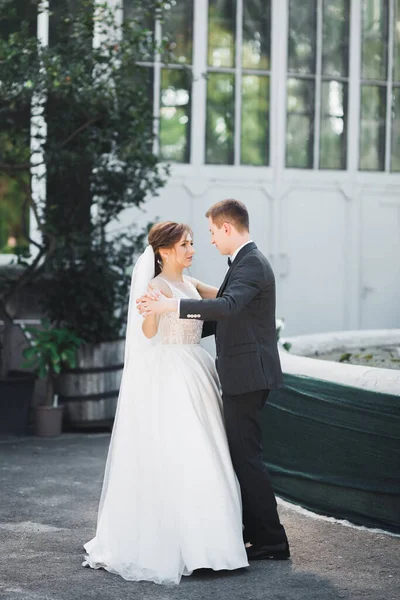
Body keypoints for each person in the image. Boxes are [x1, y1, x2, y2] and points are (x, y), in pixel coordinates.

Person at [83, 221, 249, 585]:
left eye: (191, 243)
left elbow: (222, 298)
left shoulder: (189, 284)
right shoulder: (154, 286)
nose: (192, 249)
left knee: (210, 452)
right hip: (172, 374)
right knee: (186, 451)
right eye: (185, 244)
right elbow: (146, 335)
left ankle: (214, 546)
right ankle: (185, 546)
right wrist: (155, 312)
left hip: (197, 368)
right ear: (164, 251)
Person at [137, 200, 290, 561]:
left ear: (226, 228)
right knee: (239, 456)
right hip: (243, 372)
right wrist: (182, 309)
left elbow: (227, 307)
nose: (206, 241)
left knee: (246, 457)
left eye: (209, 233)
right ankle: (256, 535)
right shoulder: (243, 262)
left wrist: (170, 307)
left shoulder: (250, 263)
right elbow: (225, 308)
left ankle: (270, 540)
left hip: (248, 375)